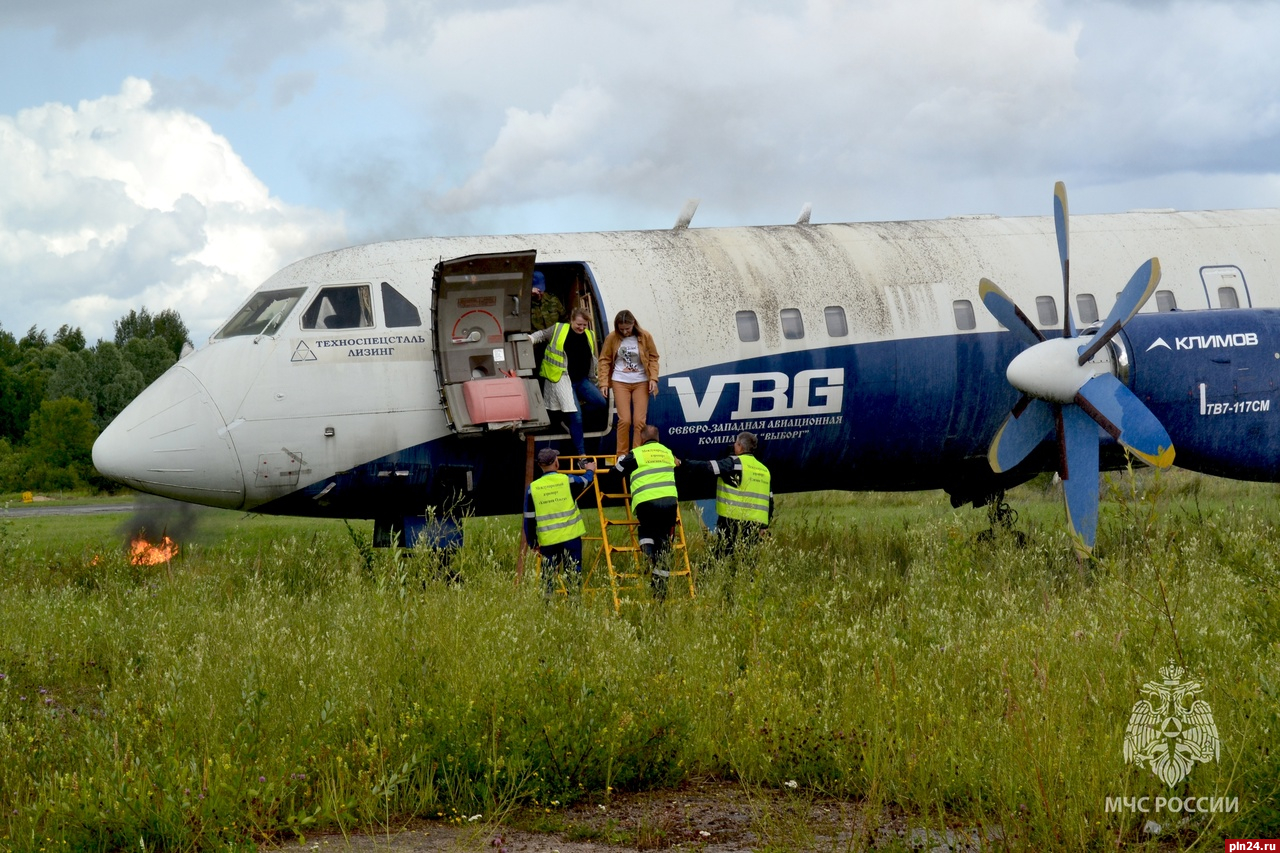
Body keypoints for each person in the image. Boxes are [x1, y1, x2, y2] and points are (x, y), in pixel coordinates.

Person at [529, 307, 608, 456]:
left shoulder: (589, 335)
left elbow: (592, 358)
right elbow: (541, 335)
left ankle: (567, 417)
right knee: (577, 418)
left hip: (582, 380)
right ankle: (581, 453)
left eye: (584, 325)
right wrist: (530, 339)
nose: (581, 328)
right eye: (579, 324)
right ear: (571, 320)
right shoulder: (559, 329)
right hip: (562, 379)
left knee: (600, 403)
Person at [614, 425, 679, 598]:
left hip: (646, 503)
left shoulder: (637, 454)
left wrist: (620, 460)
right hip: (669, 504)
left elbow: (616, 473)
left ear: (642, 439)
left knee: (646, 530)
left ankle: (648, 553)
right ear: (658, 438)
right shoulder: (668, 452)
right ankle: (660, 592)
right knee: (664, 546)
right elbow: (679, 465)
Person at [683, 431, 772, 556]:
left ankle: (711, 573)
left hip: (733, 521)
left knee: (722, 555)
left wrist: (683, 463)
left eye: (736, 443)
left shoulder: (735, 464)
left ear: (740, 446)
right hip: (755, 524)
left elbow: (707, 467)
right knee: (748, 559)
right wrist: (765, 525)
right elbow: (770, 500)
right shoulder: (764, 470)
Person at [524, 448, 596, 595]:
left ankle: (547, 608)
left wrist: (533, 543)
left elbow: (529, 519)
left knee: (548, 576)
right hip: (571, 538)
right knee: (573, 574)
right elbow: (586, 481)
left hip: (549, 541)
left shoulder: (532, 489)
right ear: (556, 463)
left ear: (540, 466)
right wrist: (590, 470)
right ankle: (575, 607)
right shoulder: (567, 480)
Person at [597, 310, 660, 455]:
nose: (625, 332)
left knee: (639, 421)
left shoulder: (645, 336)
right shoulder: (612, 337)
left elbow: (653, 357)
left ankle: (636, 454)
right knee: (624, 420)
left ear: (634, 324)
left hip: (641, 381)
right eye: (622, 329)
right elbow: (604, 360)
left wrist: (653, 378)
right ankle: (622, 455)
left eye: (628, 328)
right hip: (620, 381)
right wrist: (604, 383)